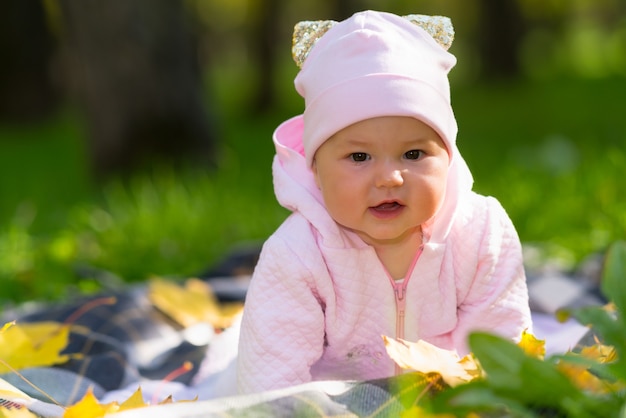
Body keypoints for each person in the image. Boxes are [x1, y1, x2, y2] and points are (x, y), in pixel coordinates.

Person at [237, 10, 532, 394]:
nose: (389, 178)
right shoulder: (298, 254)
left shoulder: (479, 232)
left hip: (447, 401)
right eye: (359, 158)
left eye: (413, 155)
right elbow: (271, 379)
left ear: (448, 156)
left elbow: (501, 343)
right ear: (316, 171)